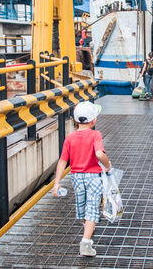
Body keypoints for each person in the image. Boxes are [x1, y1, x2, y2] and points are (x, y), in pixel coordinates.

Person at [52, 101, 111, 257]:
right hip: (93, 177)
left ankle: (88, 232)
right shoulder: (95, 135)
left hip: (76, 177)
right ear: (93, 120)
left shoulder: (70, 137)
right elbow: (99, 154)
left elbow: (63, 161)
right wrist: (107, 164)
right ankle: (85, 242)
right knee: (92, 208)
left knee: (83, 208)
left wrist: (56, 183)